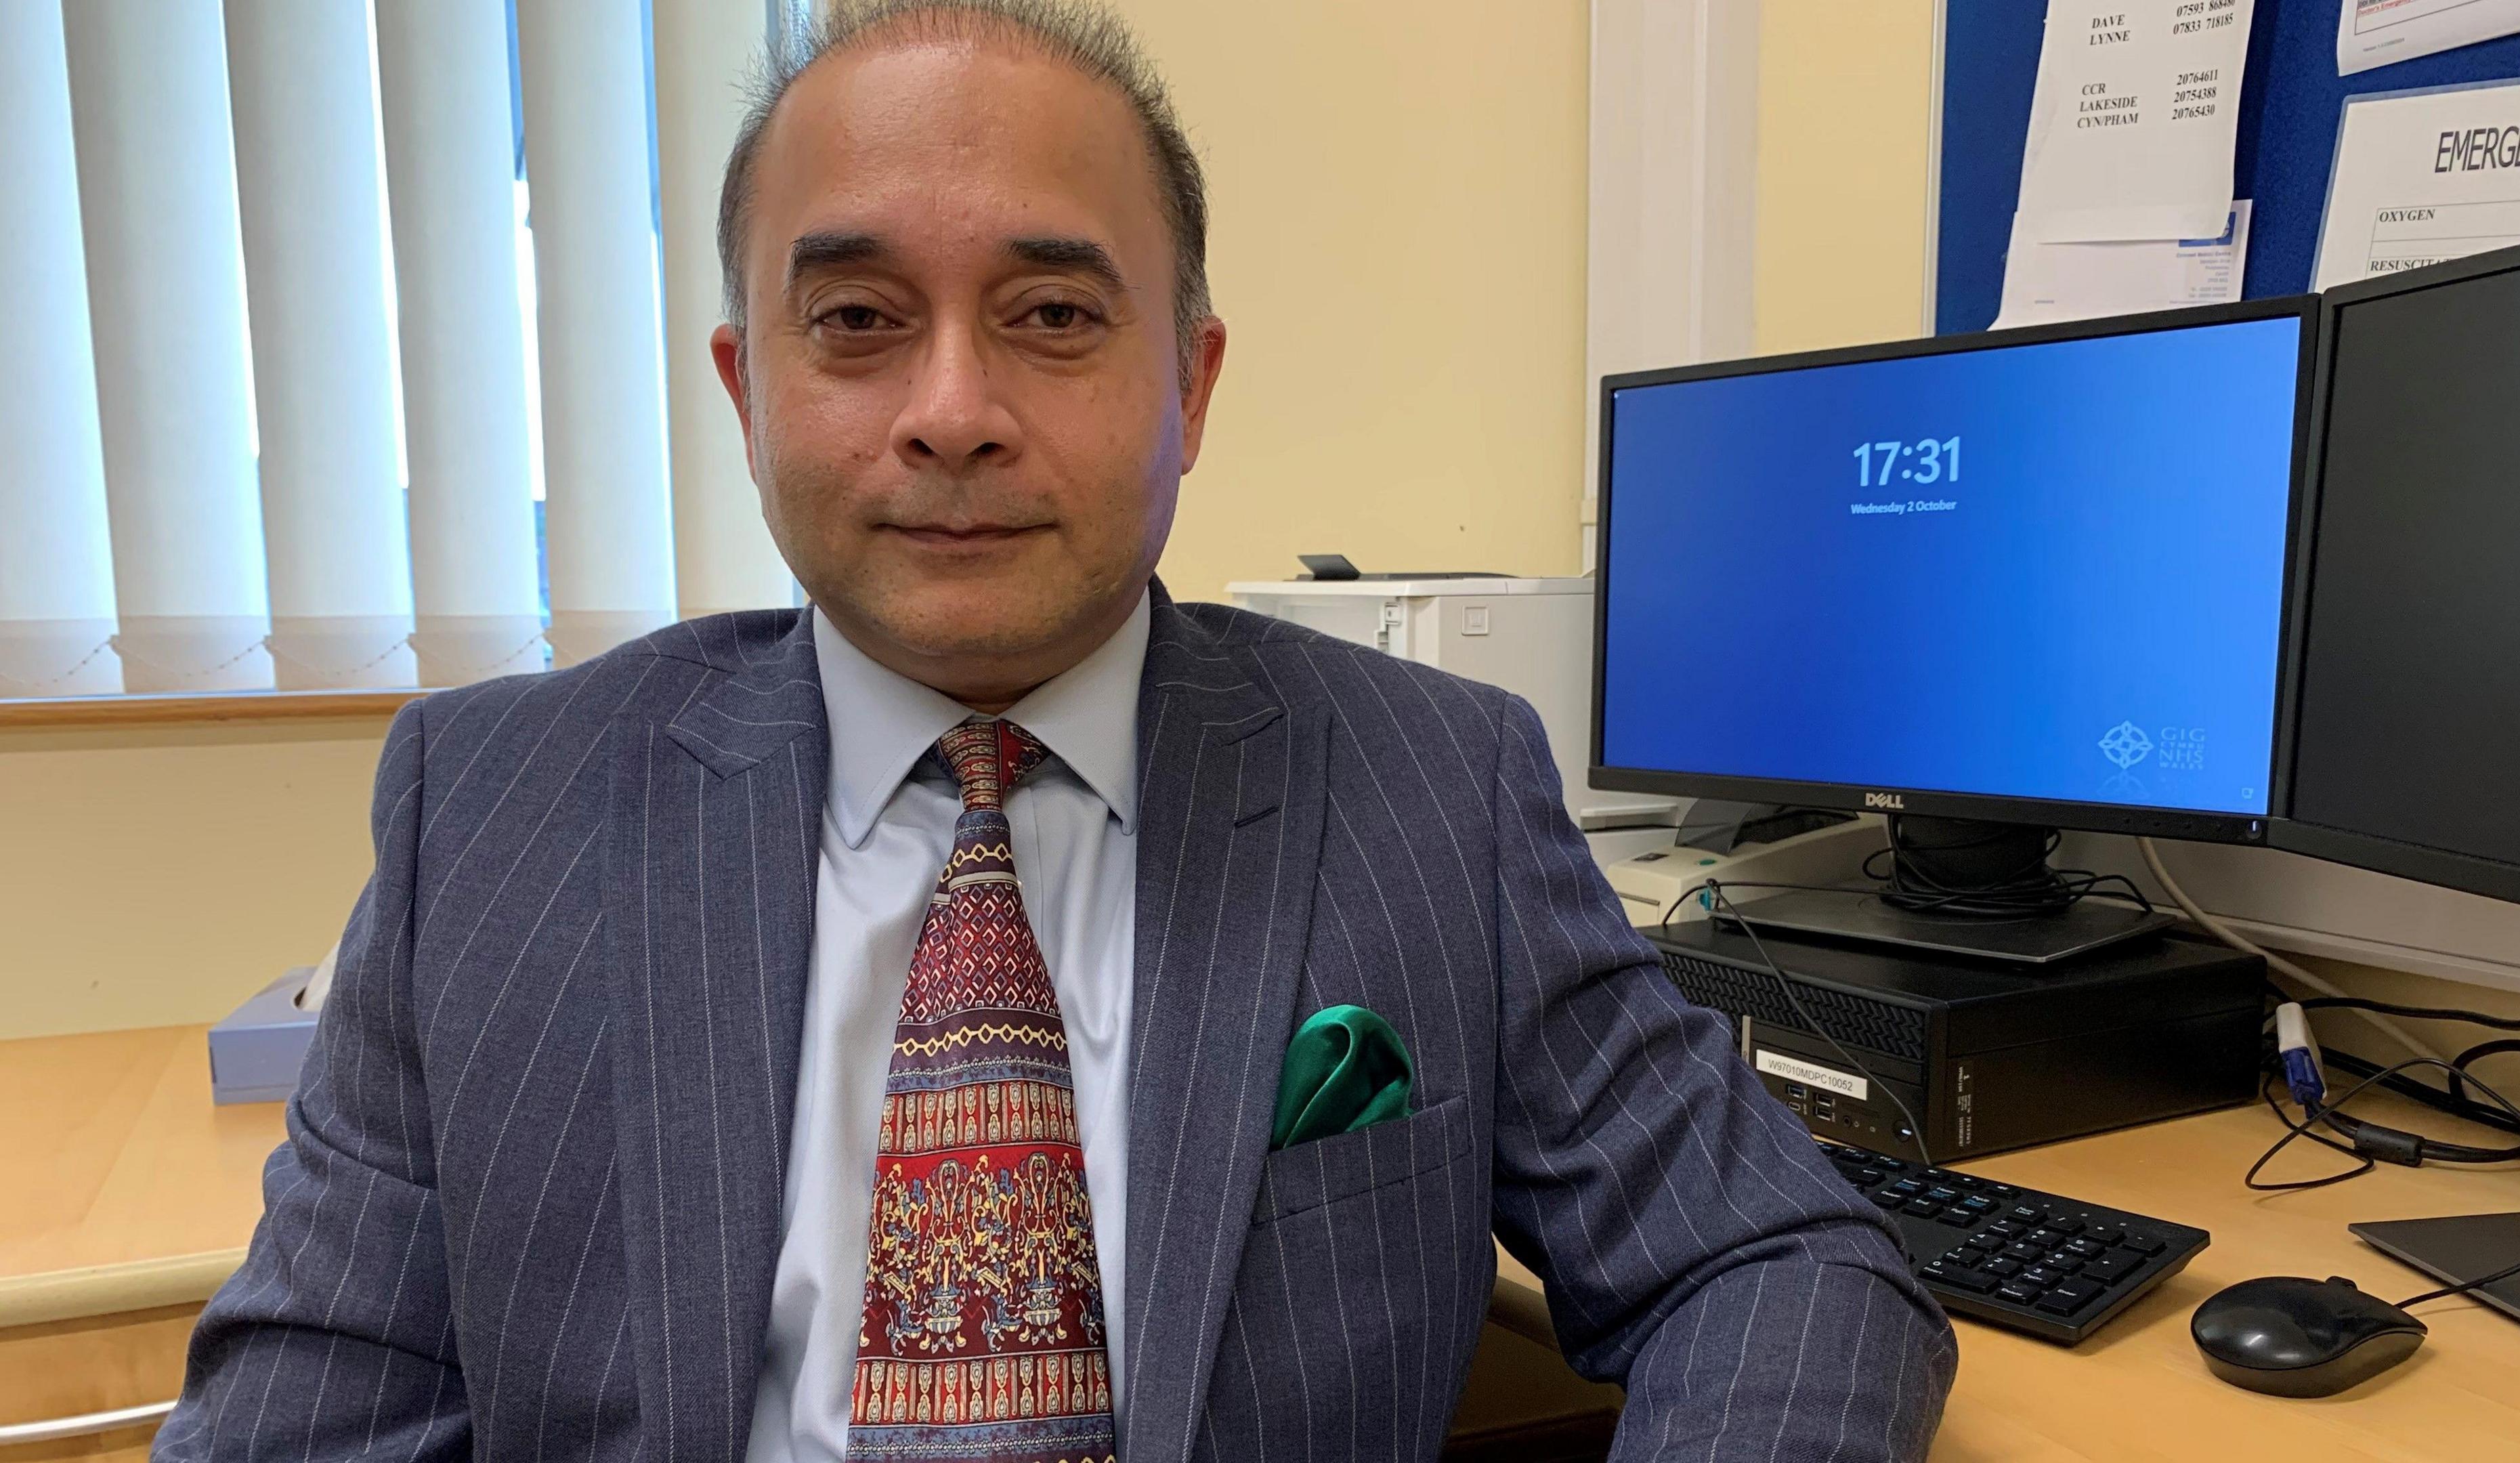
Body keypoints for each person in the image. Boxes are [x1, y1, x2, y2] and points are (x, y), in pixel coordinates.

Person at [157, 3, 1954, 1459]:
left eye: (1054, 317)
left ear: (1190, 380)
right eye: (858, 321)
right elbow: (313, 1411)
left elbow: (1785, 1264)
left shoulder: (1439, 787)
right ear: (745, 384)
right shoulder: (494, 809)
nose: (952, 411)